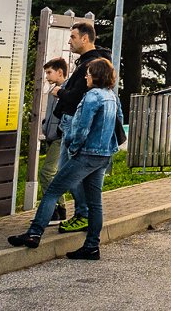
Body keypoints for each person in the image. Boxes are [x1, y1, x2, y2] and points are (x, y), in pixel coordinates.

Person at [8, 57, 123, 259]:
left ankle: (34, 234)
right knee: (95, 203)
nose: (86, 76)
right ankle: (92, 246)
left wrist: (74, 147)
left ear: (96, 75)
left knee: (53, 191)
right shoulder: (111, 96)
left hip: (86, 155)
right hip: (103, 155)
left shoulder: (92, 97)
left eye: (89, 73)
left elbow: (82, 128)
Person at [51, 20, 111, 232]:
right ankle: (84, 217)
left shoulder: (90, 64)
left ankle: (82, 215)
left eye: (73, 37)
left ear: (85, 38)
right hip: (80, 126)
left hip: (76, 123)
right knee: (76, 175)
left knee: (68, 173)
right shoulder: (93, 60)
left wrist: (60, 92)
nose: (69, 41)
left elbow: (78, 96)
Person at [36, 57, 71, 221]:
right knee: (53, 174)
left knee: (46, 173)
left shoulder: (67, 90)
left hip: (59, 138)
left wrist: (58, 131)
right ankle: (59, 208)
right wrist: (45, 126)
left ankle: (54, 209)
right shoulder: (53, 90)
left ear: (60, 72)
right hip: (51, 137)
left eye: (49, 72)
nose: (47, 76)